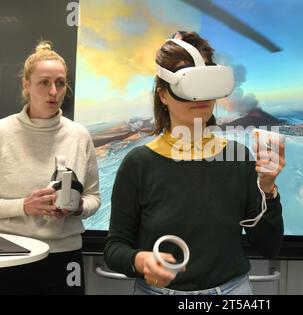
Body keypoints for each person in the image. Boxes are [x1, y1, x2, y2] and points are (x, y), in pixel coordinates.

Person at [104, 31, 285, 295]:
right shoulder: (139, 164)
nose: (199, 96)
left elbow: (269, 246)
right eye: (188, 81)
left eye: (206, 81)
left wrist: (267, 189)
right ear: (163, 94)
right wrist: (140, 261)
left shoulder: (238, 157)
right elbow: (115, 247)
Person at [0, 41, 101, 294]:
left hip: (64, 257)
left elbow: (94, 197)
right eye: (44, 82)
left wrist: (77, 207)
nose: (54, 91)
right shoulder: (2, 132)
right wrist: (24, 206)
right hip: (11, 255)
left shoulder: (79, 135)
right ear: (26, 85)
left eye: (60, 82)